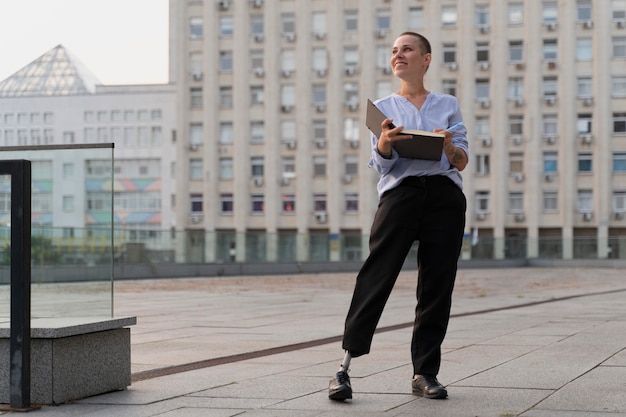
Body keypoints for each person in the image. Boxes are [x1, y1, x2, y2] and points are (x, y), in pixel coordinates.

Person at [328, 31, 468, 401]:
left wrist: (450, 148)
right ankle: (343, 369)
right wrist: (385, 144)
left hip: (444, 196)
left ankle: (425, 373)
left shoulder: (448, 104)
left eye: (406, 49)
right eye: (393, 50)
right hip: (401, 195)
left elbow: (463, 161)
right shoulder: (383, 107)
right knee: (377, 275)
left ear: (426, 58)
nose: (398, 55)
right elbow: (381, 164)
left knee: (437, 285)